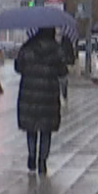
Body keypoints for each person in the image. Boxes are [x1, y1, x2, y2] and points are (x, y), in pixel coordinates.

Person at [14, 27, 73, 175]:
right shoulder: (56, 50)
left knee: (31, 128)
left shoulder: (27, 47)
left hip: (29, 94)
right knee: (46, 130)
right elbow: (63, 71)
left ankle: (32, 156)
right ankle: (42, 161)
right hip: (49, 95)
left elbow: (18, 67)